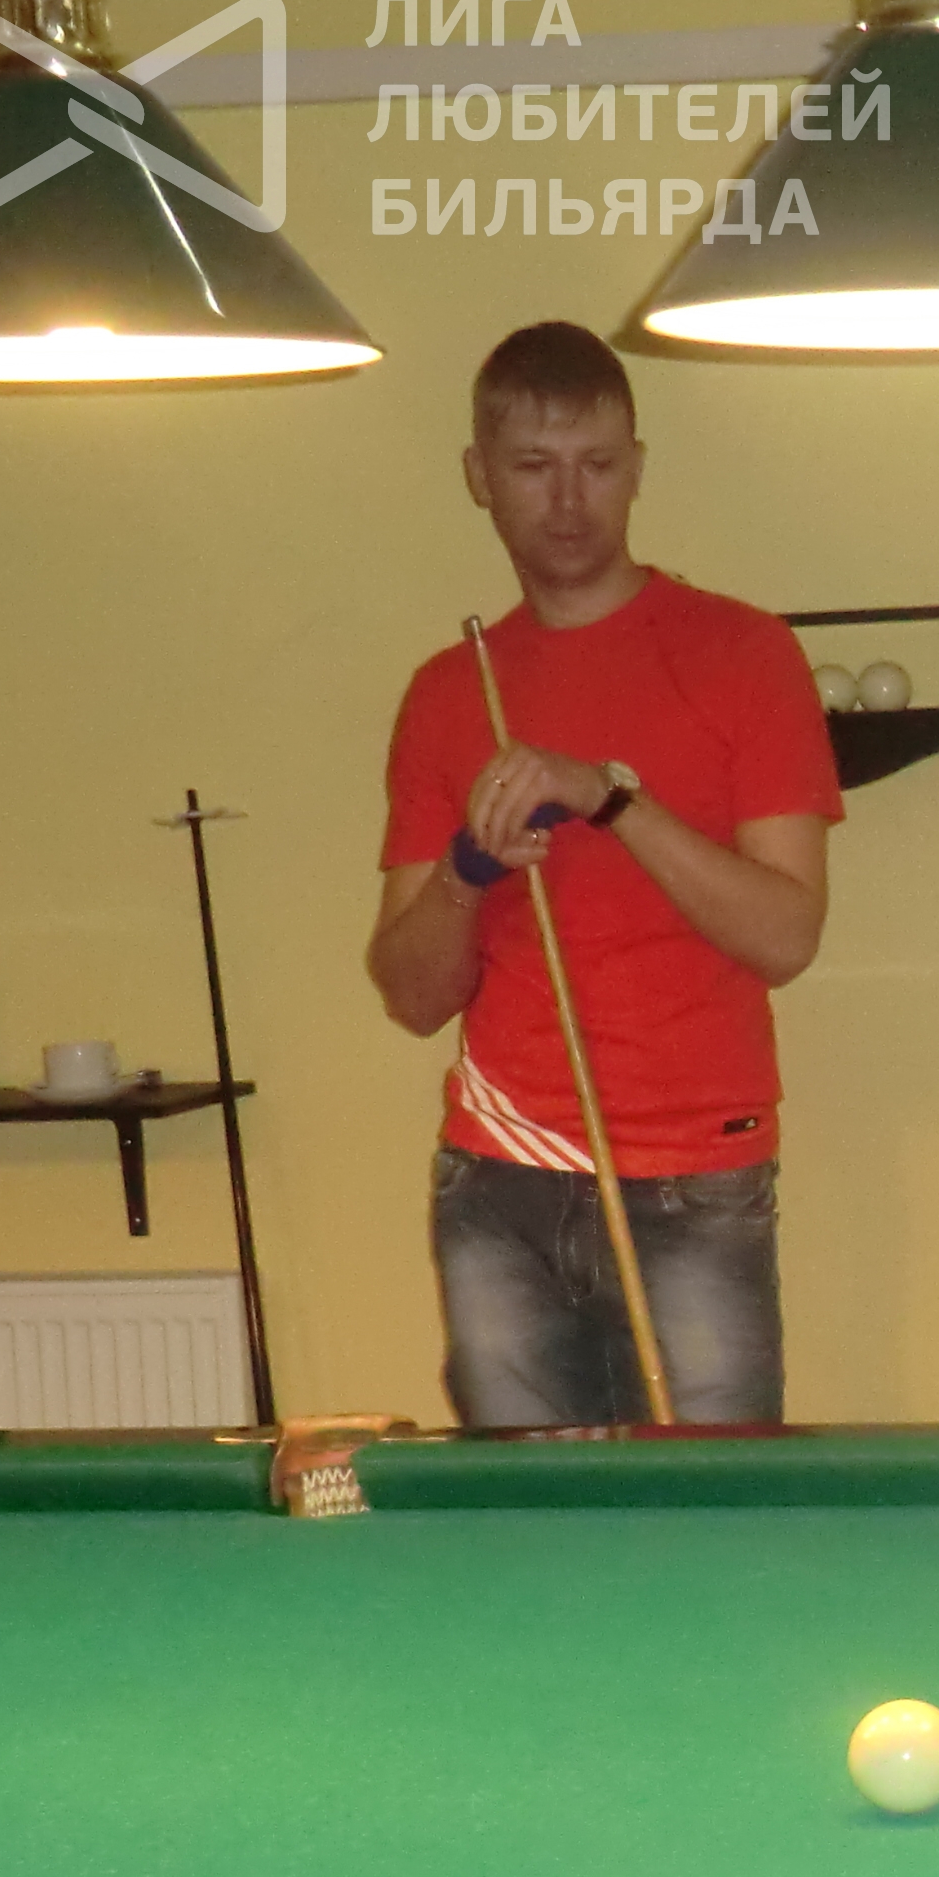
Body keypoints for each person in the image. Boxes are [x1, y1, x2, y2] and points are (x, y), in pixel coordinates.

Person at [366, 321, 843, 1427]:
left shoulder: (745, 654)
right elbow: (411, 994)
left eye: (597, 464)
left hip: (699, 1176)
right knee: (522, 1520)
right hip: (500, 1178)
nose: (569, 500)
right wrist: (469, 869)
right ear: (480, 477)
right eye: (535, 466)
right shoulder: (449, 692)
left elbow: (787, 936)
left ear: (637, 468)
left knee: (712, 1512)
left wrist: (612, 802)